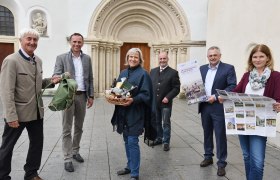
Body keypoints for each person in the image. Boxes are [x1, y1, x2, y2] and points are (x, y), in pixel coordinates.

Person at [0, 28, 61, 180]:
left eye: (35, 40)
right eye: (29, 39)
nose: (32, 42)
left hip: (36, 112)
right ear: (21, 41)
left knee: (36, 145)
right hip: (18, 114)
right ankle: (3, 175)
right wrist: (10, 115)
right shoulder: (11, 60)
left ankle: (31, 173)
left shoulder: (38, 60)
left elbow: (37, 84)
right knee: (7, 147)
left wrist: (51, 81)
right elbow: (7, 91)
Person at [231, 44, 280, 180]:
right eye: (255, 57)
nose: (257, 59)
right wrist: (224, 97)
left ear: (268, 58)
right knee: (247, 156)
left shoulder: (275, 76)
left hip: (261, 123)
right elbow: (236, 91)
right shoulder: (247, 75)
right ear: (251, 59)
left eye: (261, 56)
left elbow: (278, 97)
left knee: (257, 161)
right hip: (243, 121)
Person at [53, 33, 94, 172]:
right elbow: (55, 75)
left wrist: (91, 95)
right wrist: (59, 77)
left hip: (82, 96)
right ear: (70, 42)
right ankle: (67, 158)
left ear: (82, 43)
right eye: (74, 41)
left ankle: (75, 151)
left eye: (79, 42)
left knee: (79, 127)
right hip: (67, 97)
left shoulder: (87, 58)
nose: (77, 44)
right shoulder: (61, 58)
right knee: (66, 128)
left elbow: (90, 79)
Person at [111, 48, 153, 180]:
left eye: (135, 57)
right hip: (123, 111)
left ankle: (135, 173)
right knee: (126, 140)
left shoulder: (144, 74)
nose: (133, 59)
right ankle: (129, 166)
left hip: (136, 113)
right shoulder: (123, 72)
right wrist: (113, 94)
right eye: (130, 57)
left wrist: (133, 100)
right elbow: (119, 90)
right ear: (127, 58)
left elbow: (147, 95)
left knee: (132, 141)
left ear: (140, 59)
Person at [199, 46, 237, 176]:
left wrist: (215, 97)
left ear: (220, 55)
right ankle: (208, 156)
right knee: (207, 132)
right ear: (207, 57)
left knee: (220, 135)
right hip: (204, 106)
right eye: (210, 55)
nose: (213, 57)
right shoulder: (202, 68)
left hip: (218, 106)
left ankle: (221, 163)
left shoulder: (228, 68)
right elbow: (197, 85)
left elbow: (232, 85)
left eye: (215, 55)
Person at [150, 51, 180, 151]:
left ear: (167, 59)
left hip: (166, 103)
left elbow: (176, 88)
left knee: (166, 123)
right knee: (157, 121)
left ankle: (166, 141)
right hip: (155, 102)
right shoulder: (153, 71)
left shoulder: (173, 72)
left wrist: (168, 97)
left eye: (164, 58)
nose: (162, 60)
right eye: (160, 59)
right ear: (158, 59)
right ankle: (159, 137)